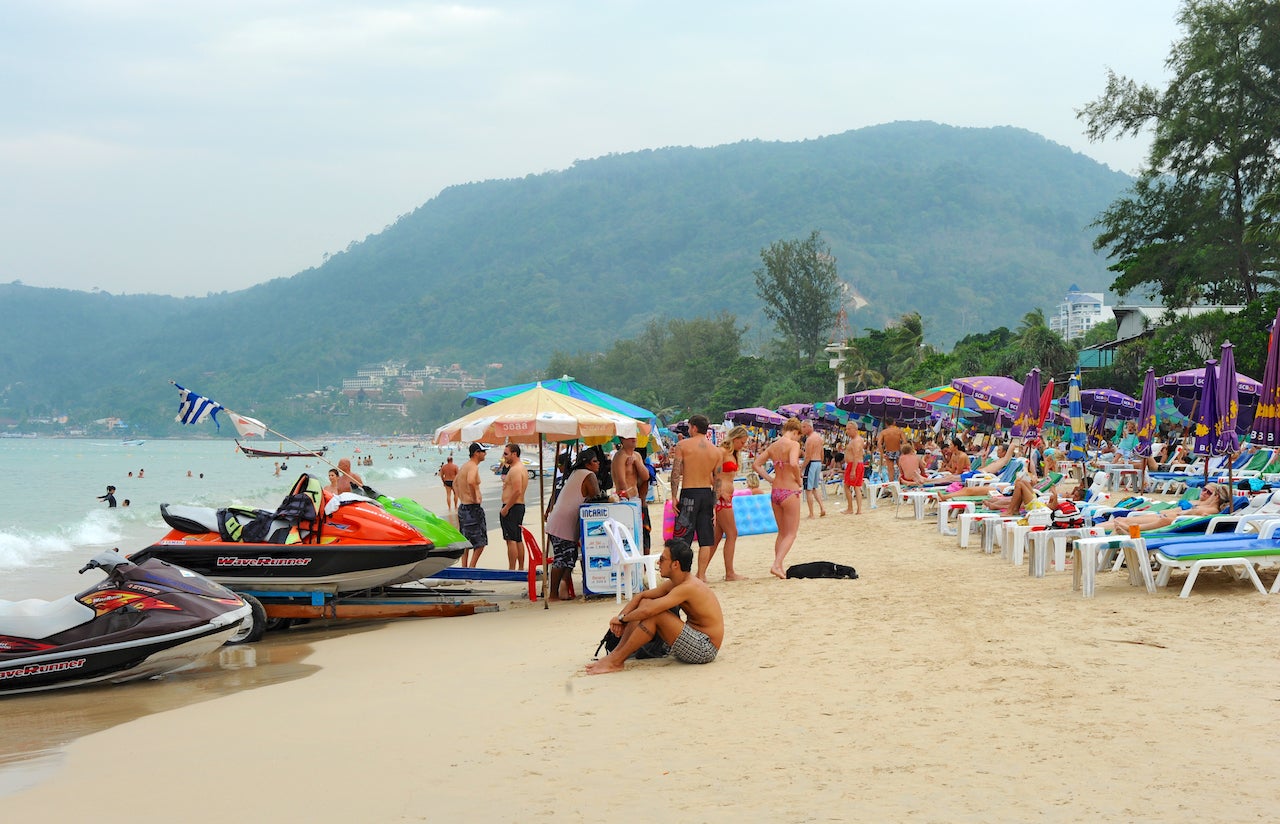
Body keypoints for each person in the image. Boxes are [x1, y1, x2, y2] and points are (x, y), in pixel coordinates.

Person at [585, 539, 725, 675]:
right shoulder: (676, 582)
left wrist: (622, 619)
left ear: (675, 564)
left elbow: (649, 611)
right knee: (646, 601)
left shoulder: (688, 587)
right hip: (691, 640)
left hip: (705, 648)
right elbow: (642, 597)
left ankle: (616, 660)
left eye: (663, 559)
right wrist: (621, 617)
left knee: (655, 614)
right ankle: (615, 656)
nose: (658, 563)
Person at [544, 451, 601, 600]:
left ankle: (563, 589)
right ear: (587, 463)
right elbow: (596, 496)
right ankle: (553, 594)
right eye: (595, 461)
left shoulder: (577, 473)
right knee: (562, 559)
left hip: (561, 521)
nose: (598, 463)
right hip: (562, 524)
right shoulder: (588, 475)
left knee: (570, 556)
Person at [751, 417, 803, 579]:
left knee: (782, 532)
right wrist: (799, 479)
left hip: (776, 491)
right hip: (790, 490)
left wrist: (769, 479)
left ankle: (778, 565)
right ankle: (776, 564)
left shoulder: (773, 446)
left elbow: (756, 464)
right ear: (795, 432)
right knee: (791, 533)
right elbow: (794, 463)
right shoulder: (793, 444)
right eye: (798, 436)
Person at [701, 424, 749, 582]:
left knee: (716, 537)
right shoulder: (721, 452)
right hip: (722, 498)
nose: (744, 445)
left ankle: (701, 573)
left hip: (726, 497)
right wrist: (720, 491)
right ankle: (729, 573)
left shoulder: (733, 454)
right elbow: (708, 471)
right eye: (742, 442)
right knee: (732, 533)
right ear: (735, 439)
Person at [669, 414, 721, 552]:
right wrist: (714, 505)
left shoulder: (682, 445)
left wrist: (674, 497)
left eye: (689, 427)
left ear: (694, 428)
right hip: (706, 494)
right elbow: (718, 481)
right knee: (706, 540)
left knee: (682, 537)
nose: (688, 430)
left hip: (689, 493)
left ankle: (684, 571)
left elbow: (675, 472)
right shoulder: (716, 451)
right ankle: (702, 574)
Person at [1101, 482, 1232, 534]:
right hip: (1167, 519)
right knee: (1123, 520)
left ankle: (1129, 532)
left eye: (1211, 493)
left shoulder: (1213, 510)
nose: (1205, 494)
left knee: (1127, 522)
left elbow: (1198, 516)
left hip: (1169, 522)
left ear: (1216, 497)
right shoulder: (1208, 506)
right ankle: (1096, 529)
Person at [612, 435, 652, 552]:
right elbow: (621, 481)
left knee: (644, 534)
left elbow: (646, 476)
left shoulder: (637, 455)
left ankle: (644, 565)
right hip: (627, 501)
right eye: (629, 437)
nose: (633, 439)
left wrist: (636, 462)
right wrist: (628, 500)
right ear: (622, 440)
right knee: (631, 537)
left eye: (634, 436)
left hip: (636, 500)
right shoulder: (620, 456)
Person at [456, 443, 488, 568]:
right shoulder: (473, 467)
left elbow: (454, 483)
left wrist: (461, 496)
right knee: (480, 542)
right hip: (472, 508)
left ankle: (464, 568)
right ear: (476, 453)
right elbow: (470, 481)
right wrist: (475, 498)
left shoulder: (464, 466)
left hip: (463, 507)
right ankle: (472, 567)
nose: (485, 454)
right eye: (483, 451)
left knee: (466, 541)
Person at [499, 443, 529, 571]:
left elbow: (517, 491)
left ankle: (512, 569)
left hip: (512, 506)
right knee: (517, 538)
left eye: (506, 454)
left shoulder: (516, 469)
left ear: (514, 454)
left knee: (511, 539)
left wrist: (506, 508)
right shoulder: (520, 468)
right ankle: (520, 568)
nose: (504, 456)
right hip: (517, 506)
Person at [800, 420, 828, 518]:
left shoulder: (809, 440)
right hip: (818, 462)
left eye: (803, 427)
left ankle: (811, 513)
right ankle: (822, 507)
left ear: (809, 427)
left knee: (808, 489)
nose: (802, 429)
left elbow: (807, 457)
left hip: (811, 463)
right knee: (815, 488)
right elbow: (822, 454)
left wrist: (801, 469)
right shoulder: (819, 438)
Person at [842, 422, 867, 515]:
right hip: (856, 464)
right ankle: (857, 509)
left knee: (848, 486)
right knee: (856, 486)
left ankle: (851, 508)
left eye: (849, 429)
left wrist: (853, 470)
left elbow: (856, 455)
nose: (847, 431)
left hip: (854, 465)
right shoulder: (857, 440)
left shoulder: (856, 440)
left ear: (854, 429)